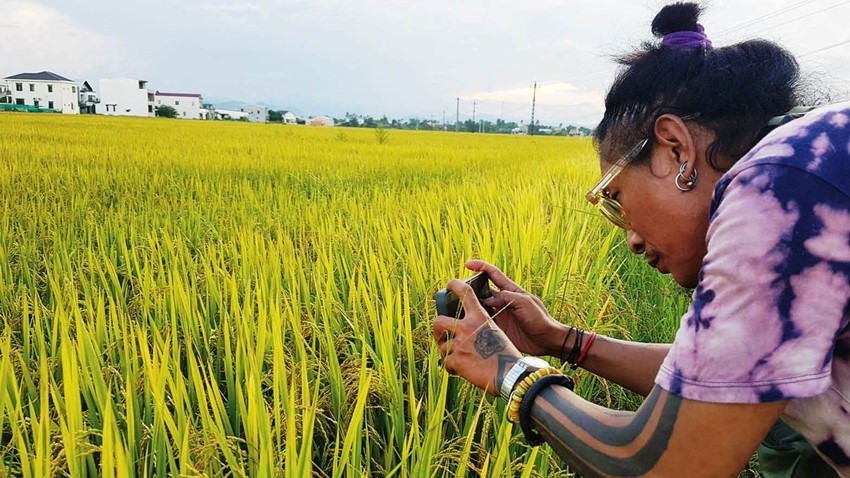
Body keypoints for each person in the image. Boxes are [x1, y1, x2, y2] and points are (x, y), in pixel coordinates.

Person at [433, 3, 850, 477]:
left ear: (676, 150)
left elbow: (665, 466)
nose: (629, 237)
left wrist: (509, 371)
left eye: (616, 197)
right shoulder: (814, 161)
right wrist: (560, 340)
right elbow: (713, 380)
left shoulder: (780, 187)